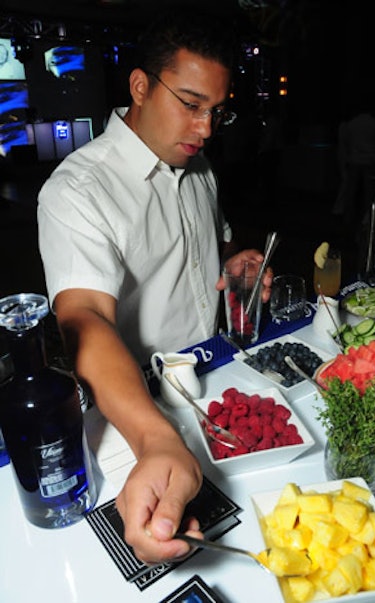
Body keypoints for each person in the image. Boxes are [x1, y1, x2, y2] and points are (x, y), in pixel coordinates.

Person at [37, 10, 273, 565]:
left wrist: (230, 262)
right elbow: (84, 318)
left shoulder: (201, 169)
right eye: (191, 105)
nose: (206, 128)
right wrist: (156, 438)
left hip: (213, 378)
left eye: (217, 112)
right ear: (140, 86)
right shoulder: (77, 190)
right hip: (134, 410)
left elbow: (199, 254)